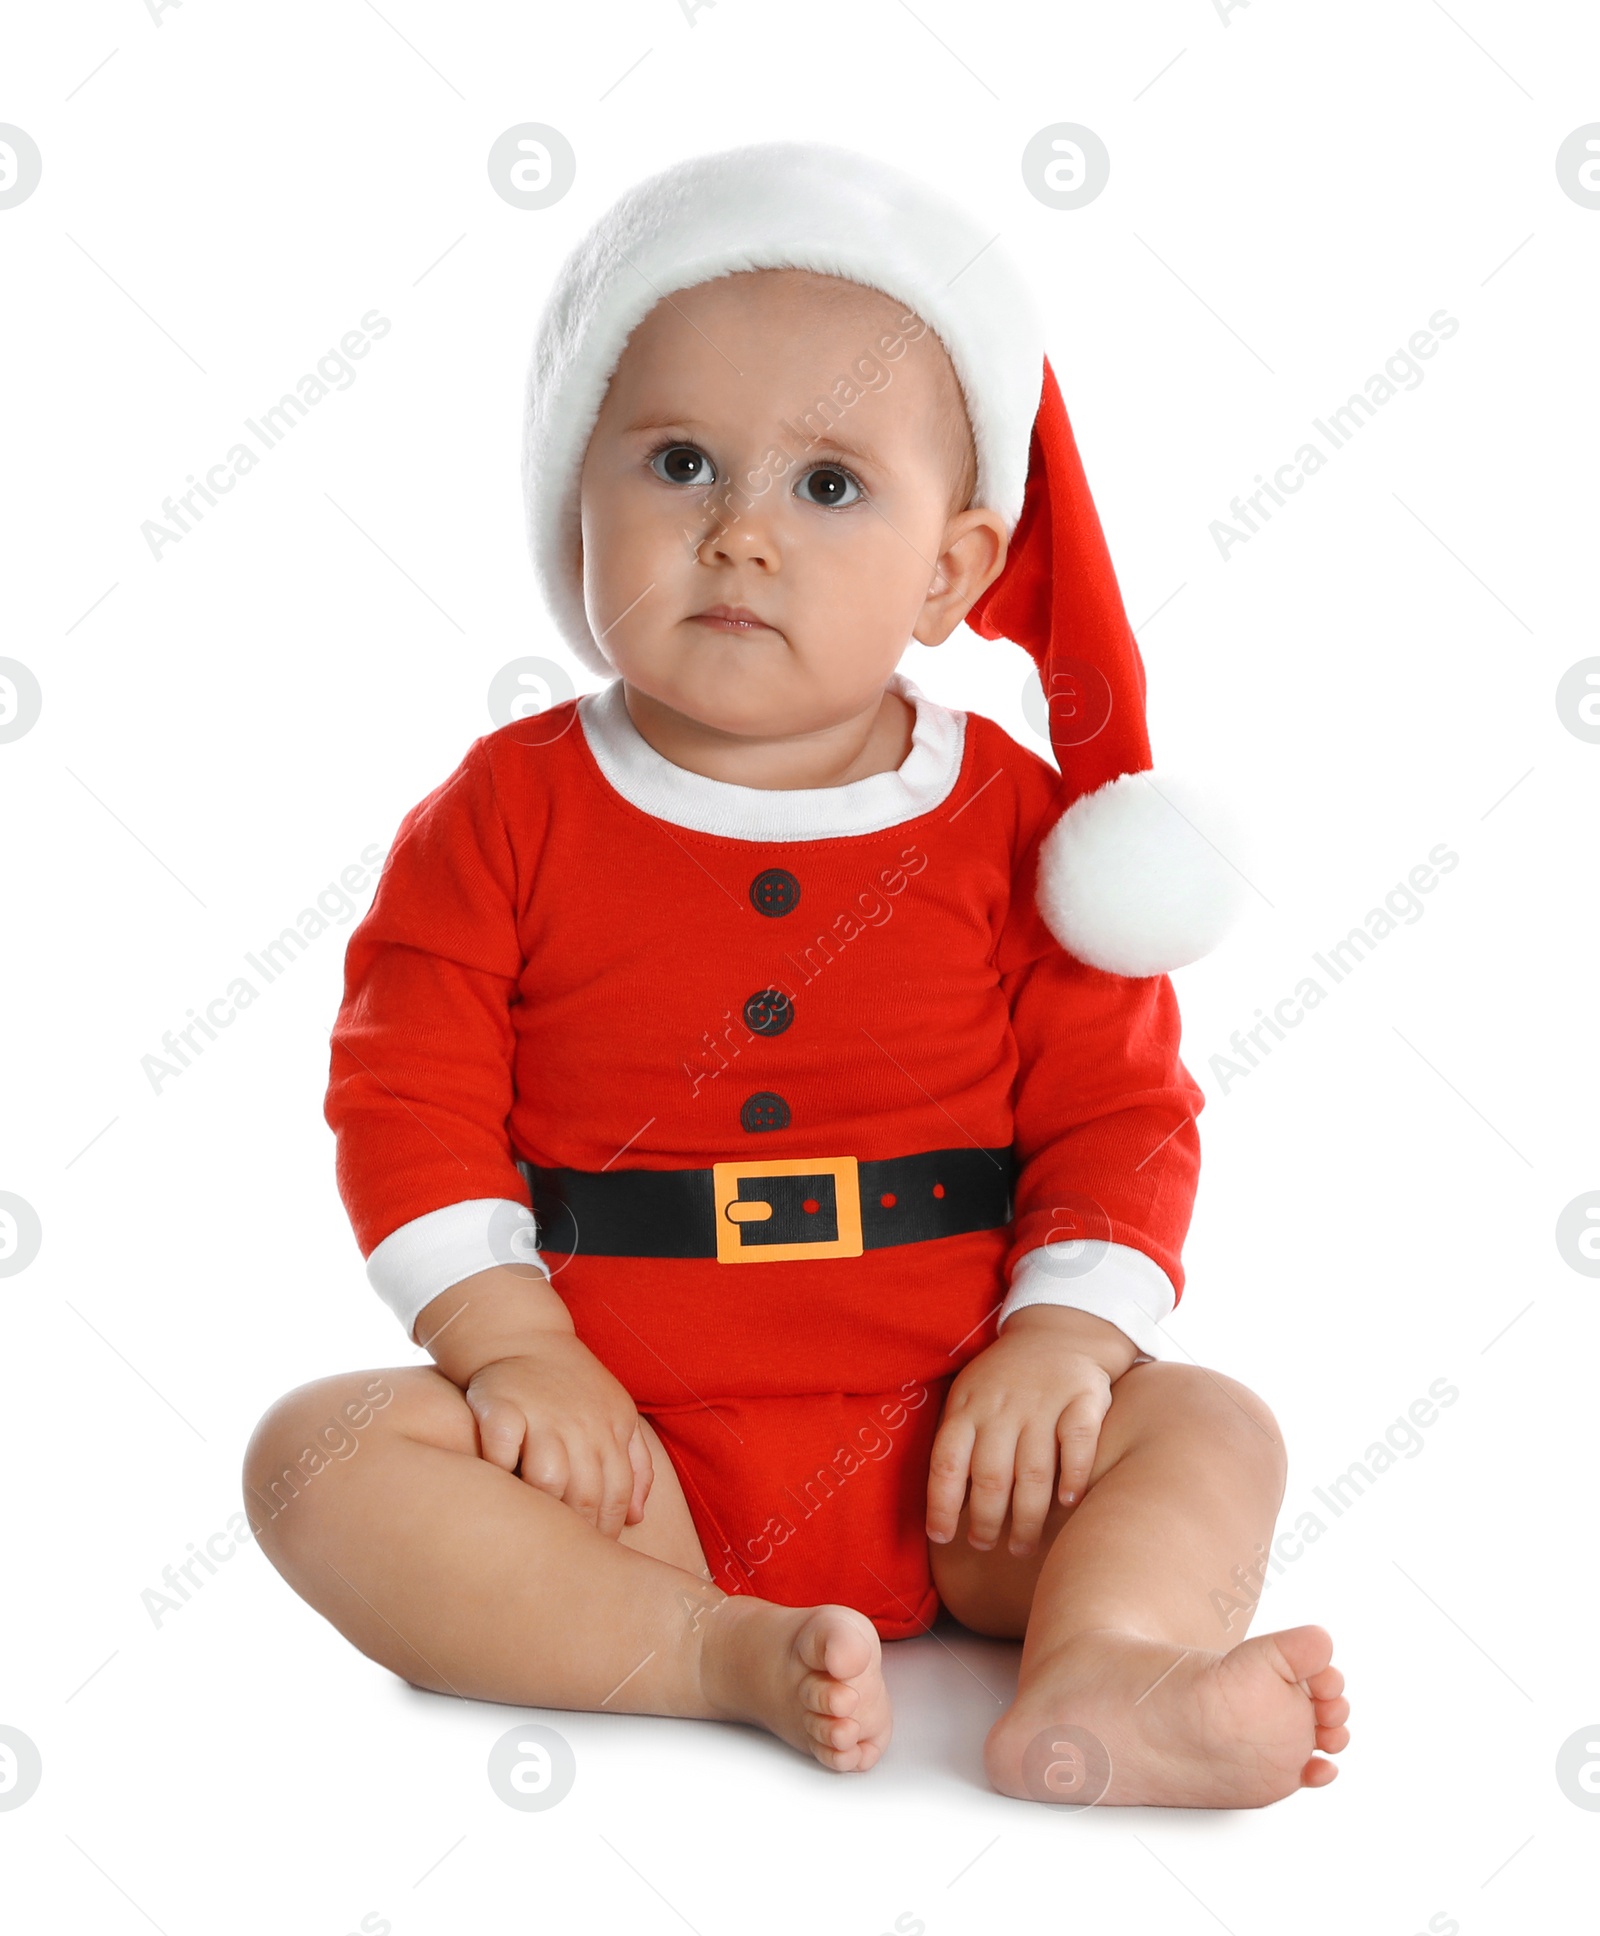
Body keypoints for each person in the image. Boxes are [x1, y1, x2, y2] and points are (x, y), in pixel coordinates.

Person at [243, 142, 1349, 1806]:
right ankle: (696, 1646)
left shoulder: (1010, 827)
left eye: (830, 486)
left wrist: (1060, 1344)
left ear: (954, 572)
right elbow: (407, 1099)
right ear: (577, 501)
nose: (743, 534)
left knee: (1211, 1427)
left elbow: (1121, 1114)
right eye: (680, 463)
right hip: (622, 1461)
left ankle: (1107, 1667)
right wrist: (512, 1348)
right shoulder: (504, 815)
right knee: (314, 1459)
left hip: (962, 1458)